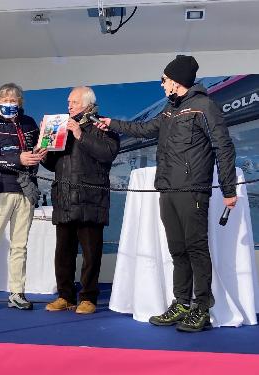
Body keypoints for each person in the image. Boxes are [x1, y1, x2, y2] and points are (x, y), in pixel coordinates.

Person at [96, 55, 237, 332]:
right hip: (169, 189)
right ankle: (182, 302)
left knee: (196, 249)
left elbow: (223, 147)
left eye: (164, 80)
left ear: (176, 81)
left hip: (192, 189)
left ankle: (202, 308)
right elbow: (142, 129)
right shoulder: (170, 110)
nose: (161, 85)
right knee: (177, 249)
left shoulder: (204, 107)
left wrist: (229, 189)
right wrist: (111, 123)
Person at [42, 86, 120, 314]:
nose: (69, 106)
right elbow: (53, 164)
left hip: (90, 198)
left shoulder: (102, 125)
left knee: (90, 253)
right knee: (63, 252)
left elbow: (108, 154)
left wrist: (80, 135)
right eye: (68, 102)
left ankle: (88, 297)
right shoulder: (62, 127)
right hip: (65, 197)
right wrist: (44, 152)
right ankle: (65, 295)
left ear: (87, 104)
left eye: (74, 102)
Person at [0, 83, 45, 311]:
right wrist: (19, 160)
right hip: (0, 189)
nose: (10, 103)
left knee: (20, 245)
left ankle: (17, 292)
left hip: (26, 190)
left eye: (14, 100)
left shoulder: (29, 123)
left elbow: (36, 153)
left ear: (20, 103)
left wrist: (42, 151)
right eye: (5, 99)